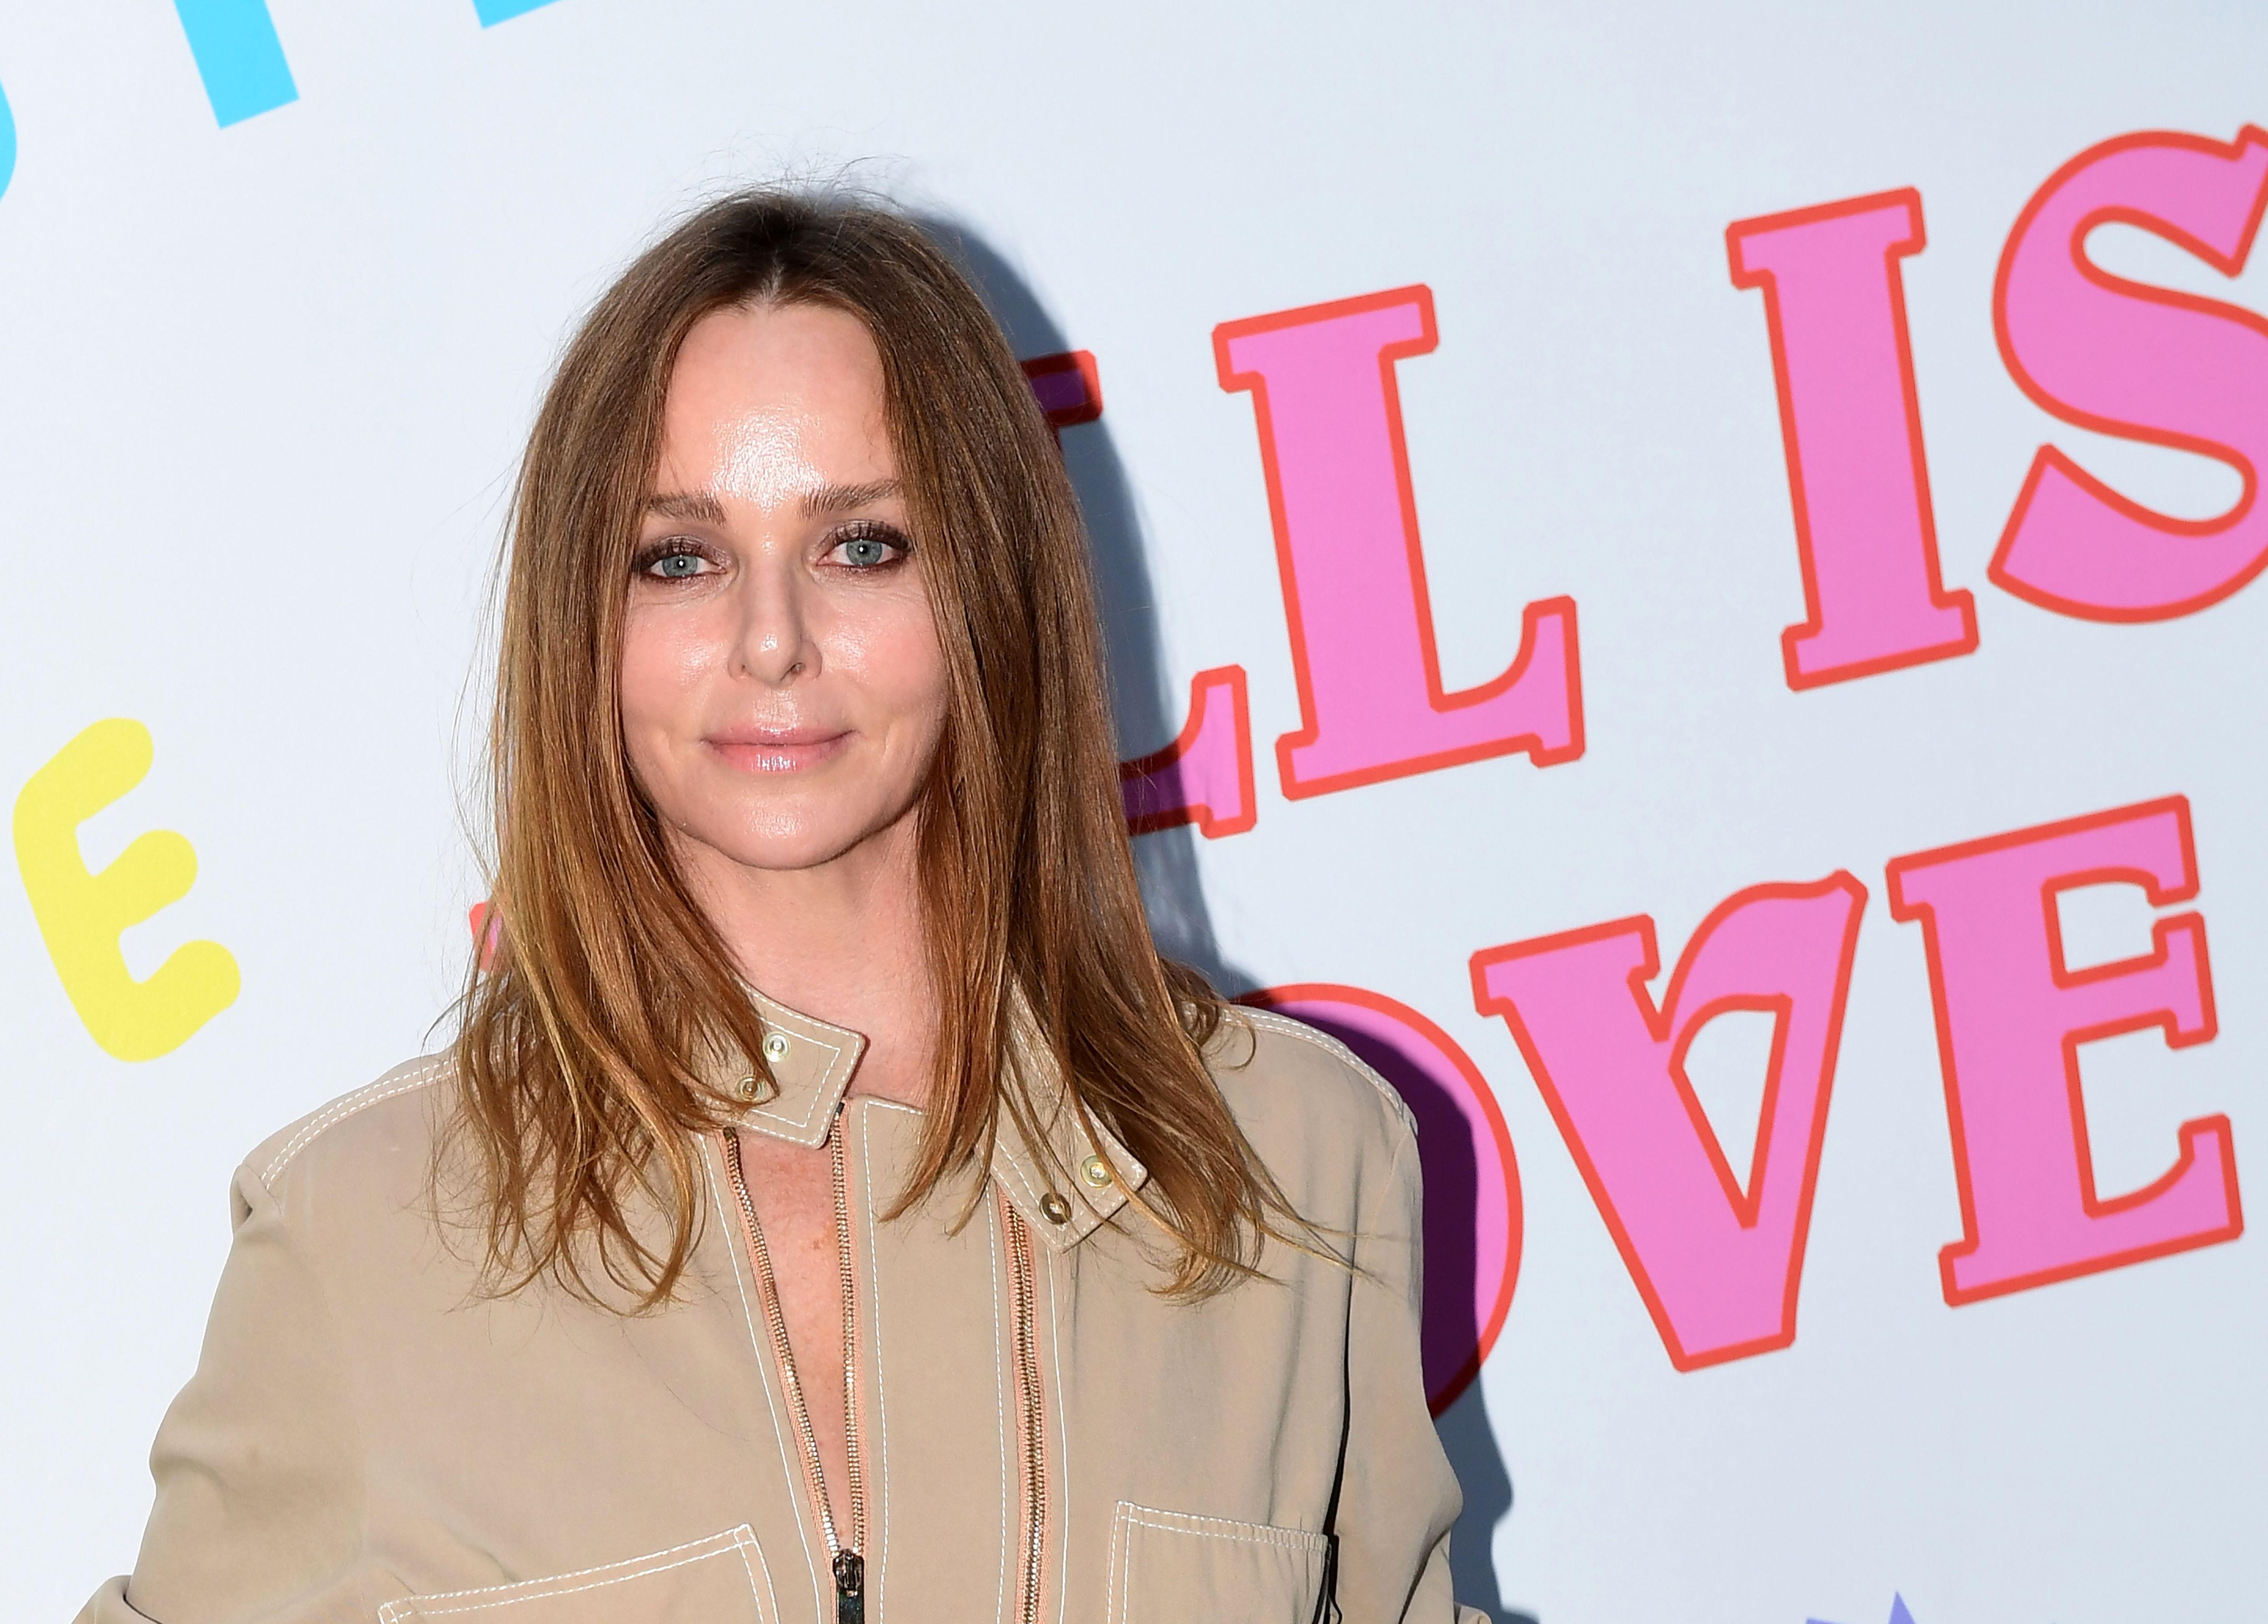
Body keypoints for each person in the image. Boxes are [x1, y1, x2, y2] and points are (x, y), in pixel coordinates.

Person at [80, 190, 1481, 1624]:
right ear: (586, 624)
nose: (772, 642)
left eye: (861, 543)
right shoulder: (366, 1236)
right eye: (678, 558)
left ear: (988, 587)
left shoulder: (1293, 1161)